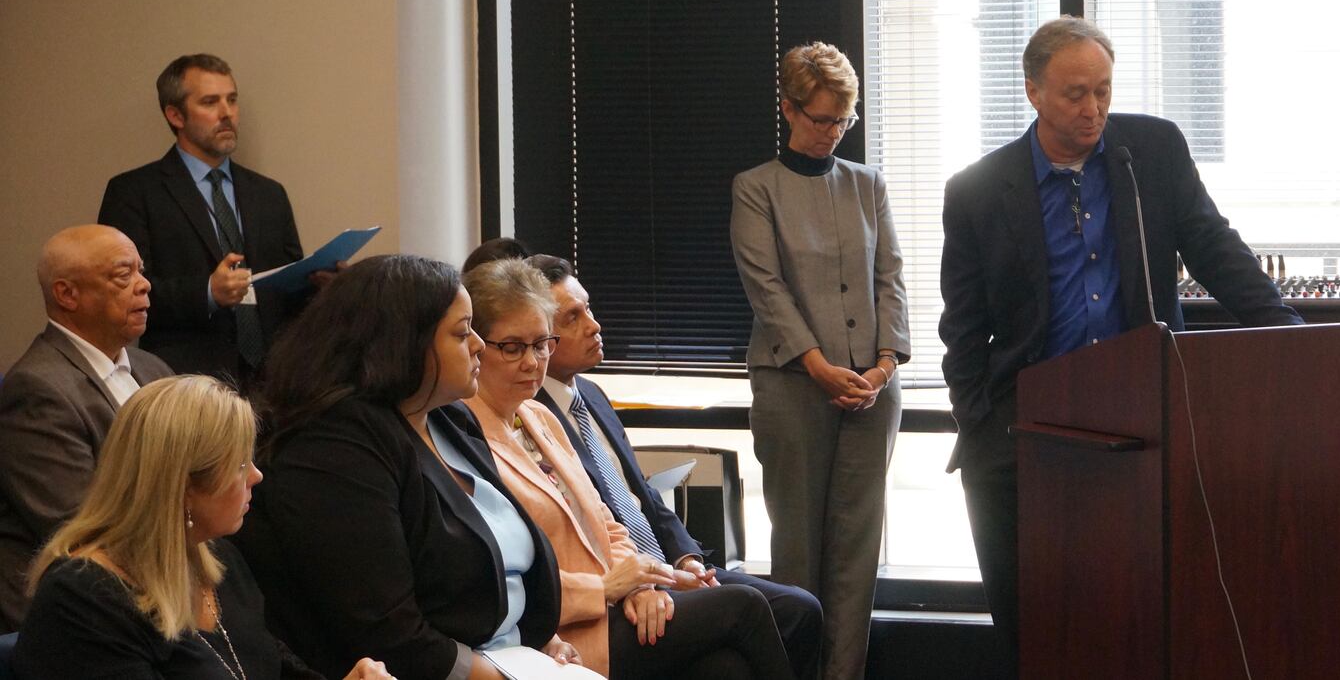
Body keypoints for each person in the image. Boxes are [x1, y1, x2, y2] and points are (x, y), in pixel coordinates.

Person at [938, 15, 1303, 677]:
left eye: (1103, 89)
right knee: (1042, 626)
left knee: (1148, 617)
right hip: (1030, 433)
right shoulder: (978, 191)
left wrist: (1293, 341)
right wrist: (981, 421)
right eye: (1076, 93)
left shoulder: (1150, 152)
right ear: (1033, 92)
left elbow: (1218, 253)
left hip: (1143, 424)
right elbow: (962, 329)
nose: (1094, 108)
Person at [232, 255, 593, 680]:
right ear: (402, 344)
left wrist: (536, 643)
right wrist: (508, 675)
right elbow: (387, 632)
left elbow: (499, 568)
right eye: (462, 333)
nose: (479, 344)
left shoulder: (447, 418)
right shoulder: (332, 448)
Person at [462, 258, 796, 678]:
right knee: (743, 606)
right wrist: (609, 588)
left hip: (615, 602)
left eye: (542, 344)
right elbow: (500, 578)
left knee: (725, 668)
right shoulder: (464, 438)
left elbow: (607, 520)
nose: (532, 362)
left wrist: (637, 582)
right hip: (561, 631)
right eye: (513, 348)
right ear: (474, 345)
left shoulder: (539, 417)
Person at [728, 42, 910, 680]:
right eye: (820, 118)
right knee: (798, 547)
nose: (831, 132)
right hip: (792, 386)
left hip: (872, 387)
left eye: (842, 120)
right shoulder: (756, 189)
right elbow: (766, 289)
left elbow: (891, 278)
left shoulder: (868, 185)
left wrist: (885, 365)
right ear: (788, 108)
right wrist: (818, 366)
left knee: (857, 551)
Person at [13, 374, 393, 679]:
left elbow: (270, 665)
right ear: (183, 487)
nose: (257, 476)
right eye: (241, 465)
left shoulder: (217, 557)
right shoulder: (81, 600)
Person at [98, 53, 322, 385]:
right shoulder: (134, 192)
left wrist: (321, 285)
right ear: (175, 115)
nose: (227, 113)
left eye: (232, 100)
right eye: (210, 102)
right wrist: (207, 292)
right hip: (187, 381)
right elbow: (119, 291)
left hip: (273, 382)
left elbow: (287, 284)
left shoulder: (269, 193)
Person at [0, 225, 172, 631]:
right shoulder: (37, 390)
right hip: (78, 613)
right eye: (122, 275)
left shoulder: (153, 368)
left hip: (158, 583)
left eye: (141, 271)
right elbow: (81, 528)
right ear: (67, 294)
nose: (144, 285)